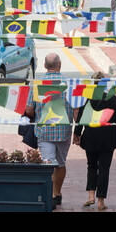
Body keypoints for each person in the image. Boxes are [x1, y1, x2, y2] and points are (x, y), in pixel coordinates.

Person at [72, 76, 116, 211]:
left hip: (90, 137)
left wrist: (77, 134)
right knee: (104, 169)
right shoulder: (113, 100)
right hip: (108, 138)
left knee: (91, 166)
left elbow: (81, 118)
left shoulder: (88, 99)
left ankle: (91, 196)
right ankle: (101, 201)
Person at [27, 53, 73, 209]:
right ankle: (56, 193)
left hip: (45, 129)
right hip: (64, 130)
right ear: (59, 65)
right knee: (60, 164)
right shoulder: (68, 83)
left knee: (48, 163)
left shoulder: (37, 83)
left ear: (45, 66)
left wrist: (37, 113)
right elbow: (77, 106)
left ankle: (51, 195)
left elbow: (29, 110)